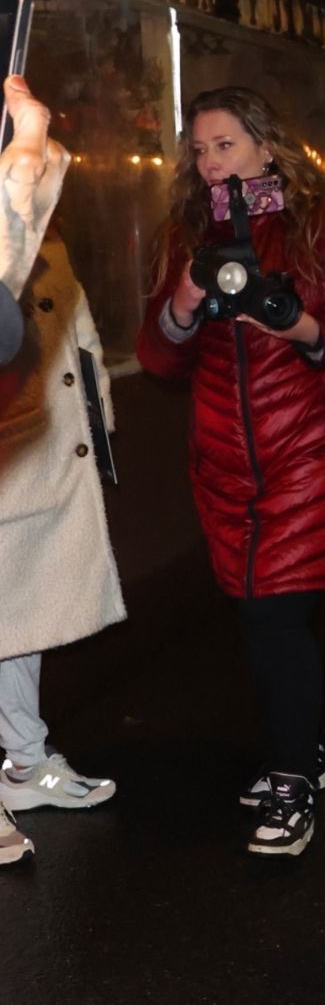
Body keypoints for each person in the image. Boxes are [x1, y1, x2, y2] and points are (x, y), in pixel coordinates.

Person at [136, 87, 325, 858]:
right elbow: (158, 356)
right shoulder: (189, 233)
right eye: (201, 150)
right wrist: (183, 303)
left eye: (226, 145)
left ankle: (289, 780)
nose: (211, 163)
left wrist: (301, 325)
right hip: (224, 459)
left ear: (268, 147)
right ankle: (301, 753)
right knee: (259, 613)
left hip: (312, 454)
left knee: (274, 615)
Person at [0, 71, 107, 868]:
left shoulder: (28, 186)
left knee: (23, 616)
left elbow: (71, 327)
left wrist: (97, 427)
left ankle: (25, 763)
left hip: (28, 440)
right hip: (13, 440)